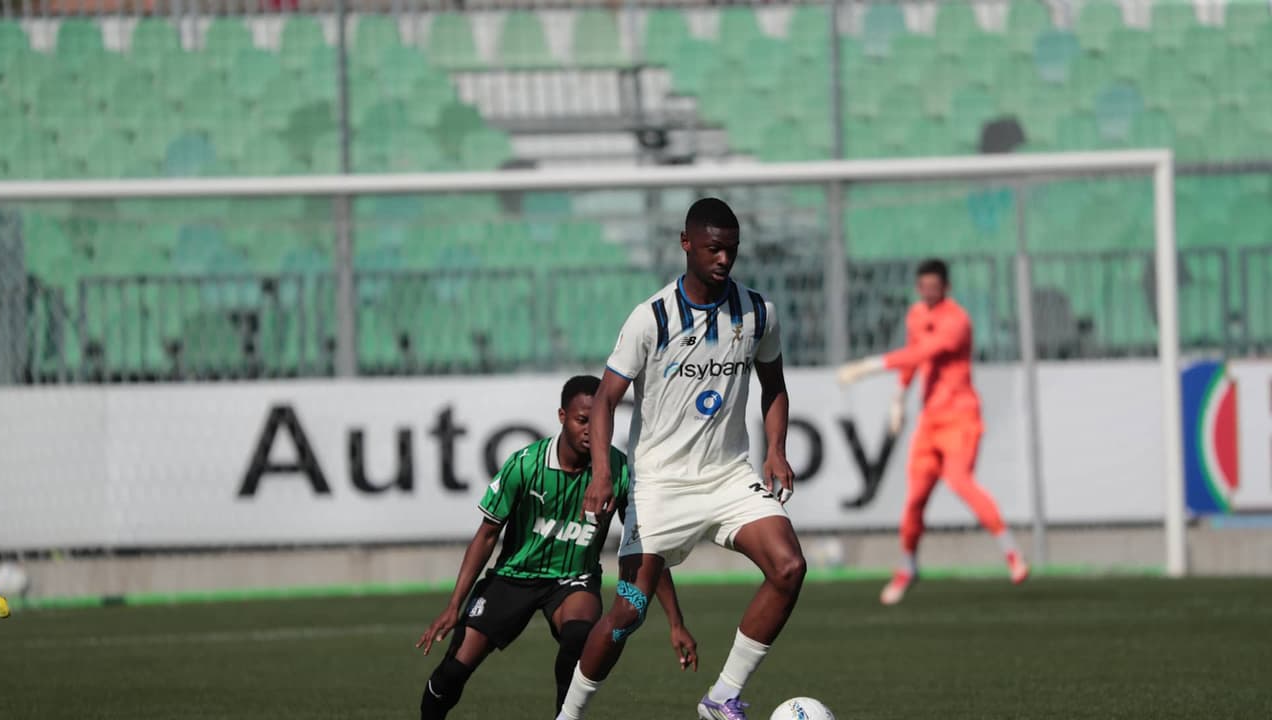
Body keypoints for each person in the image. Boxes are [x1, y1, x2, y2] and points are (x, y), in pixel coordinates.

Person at [556, 198, 806, 720]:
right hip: (659, 488)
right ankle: (569, 716)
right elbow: (604, 399)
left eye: (732, 250)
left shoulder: (759, 312)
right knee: (627, 612)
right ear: (686, 243)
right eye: (713, 248)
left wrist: (776, 449)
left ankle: (721, 698)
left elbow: (774, 385)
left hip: (728, 476)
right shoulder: (651, 318)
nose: (723, 259)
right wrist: (603, 473)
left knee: (788, 566)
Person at [417, 375, 696, 719]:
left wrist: (675, 622)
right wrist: (453, 605)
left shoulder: (619, 471)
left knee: (580, 637)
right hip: (512, 577)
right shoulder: (525, 465)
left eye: (597, 421)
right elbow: (487, 535)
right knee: (453, 673)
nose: (589, 430)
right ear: (562, 416)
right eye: (582, 420)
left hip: (573, 579)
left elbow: (646, 548)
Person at [836, 258, 1029, 605]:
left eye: (934, 288)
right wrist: (898, 396)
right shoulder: (915, 315)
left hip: (961, 416)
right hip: (930, 421)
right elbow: (914, 360)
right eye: (922, 287)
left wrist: (870, 366)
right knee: (914, 501)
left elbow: (926, 350)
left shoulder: (957, 320)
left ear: (946, 288)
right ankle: (908, 566)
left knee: (958, 480)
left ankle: (1011, 552)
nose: (927, 293)